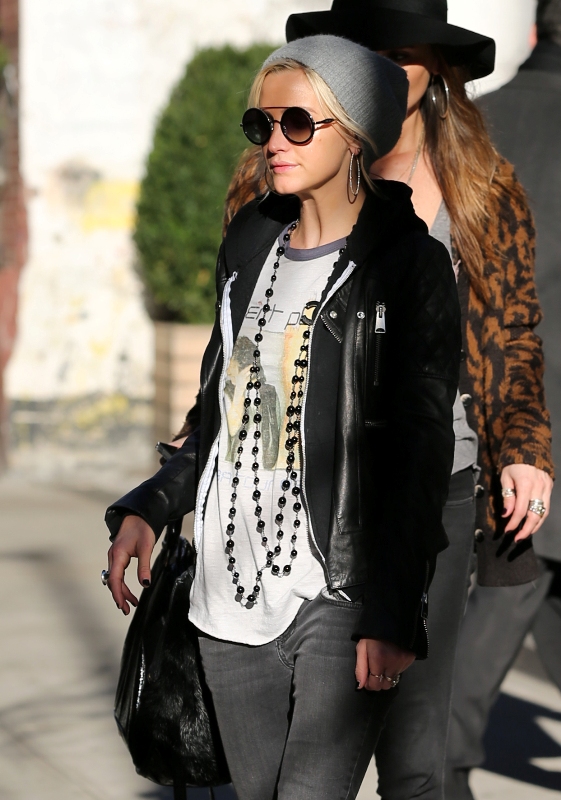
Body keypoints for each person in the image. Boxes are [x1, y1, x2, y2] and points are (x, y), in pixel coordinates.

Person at [103, 34, 462, 800]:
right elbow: (223, 411)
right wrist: (152, 504)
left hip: (340, 590)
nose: (274, 142)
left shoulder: (408, 266)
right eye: (261, 124)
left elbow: (420, 448)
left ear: (355, 132)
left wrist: (392, 609)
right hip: (228, 593)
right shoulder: (249, 245)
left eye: (297, 123)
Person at [218, 2, 555, 799]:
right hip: (295, 484)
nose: (377, 67)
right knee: (292, 749)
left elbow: (510, 329)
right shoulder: (278, 171)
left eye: (399, 54)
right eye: (362, 48)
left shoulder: (480, 184)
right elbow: (238, 339)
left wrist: (521, 449)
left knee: (415, 754)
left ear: (434, 70)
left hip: (434, 482)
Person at [445, 2, 561, 796]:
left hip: (494, 404)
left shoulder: (470, 131)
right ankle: (437, 763)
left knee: (523, 583)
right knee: (512, 591)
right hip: (531, 428)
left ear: (530, 32)